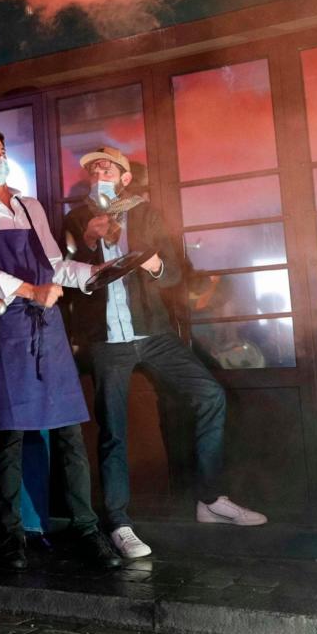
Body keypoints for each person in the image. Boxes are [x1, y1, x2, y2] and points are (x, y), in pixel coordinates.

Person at [64, 146, 266, 560]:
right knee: (113, 431)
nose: (99, 171)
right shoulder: (75, 219)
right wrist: (87, 242)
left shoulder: (145, 213)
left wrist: (153, 262)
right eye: (93, 169)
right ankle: (119, 522)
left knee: (210, 394)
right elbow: (64, 276)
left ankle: (210, 499)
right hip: (107, 340)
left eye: (107, 167)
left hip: (152, 331)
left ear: (124, 178)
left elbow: (174, 273)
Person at [0, 129, 121, 572]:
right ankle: (9, 537)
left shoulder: (31, 206)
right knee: (9, 435)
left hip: (48, 326)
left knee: (69, 433)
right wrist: (29, 289)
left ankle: (87, 528)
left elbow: (55, 264)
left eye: (2, 152)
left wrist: (93, 272)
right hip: (7, 327)